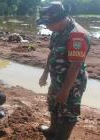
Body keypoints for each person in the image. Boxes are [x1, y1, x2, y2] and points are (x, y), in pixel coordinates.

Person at [37, 1, 90, 140]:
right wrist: (45, 74)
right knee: (53, 105)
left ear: (60, 19)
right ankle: (52, 130)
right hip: (57, 80)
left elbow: (76, 65)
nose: (47, 27)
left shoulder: (77, 35)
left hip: (73, 84)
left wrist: (65, 90)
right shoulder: (57, 31)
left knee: (68, 113)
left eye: (48, 24)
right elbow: (51, 53)